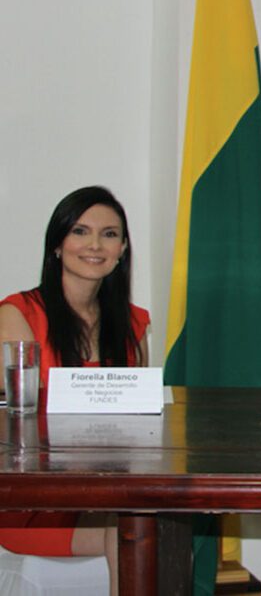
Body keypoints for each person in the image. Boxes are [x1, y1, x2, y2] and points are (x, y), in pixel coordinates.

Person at [0, 186, 150, 595]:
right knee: (128, 530)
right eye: (80, 231)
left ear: (122, 249)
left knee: (160, 523)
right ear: (57, 244)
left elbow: (141, 424)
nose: (95, 245)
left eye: (109, 234)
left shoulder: (134, 325)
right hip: (37, 501)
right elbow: (16, 423)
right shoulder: (17, 314)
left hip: (106, 490)